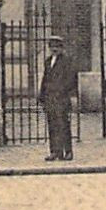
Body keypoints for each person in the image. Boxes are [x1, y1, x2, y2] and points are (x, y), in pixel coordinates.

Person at [38, 33, 78, 161]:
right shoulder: (48, 61)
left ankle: (68, 151)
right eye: (52, 46)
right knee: (52, 125)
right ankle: (55, 151)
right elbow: (45, 79)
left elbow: (72, 79)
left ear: (61, 48)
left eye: (57, 46)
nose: (54, 49)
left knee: (63, 125)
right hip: (50, 98)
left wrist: (62, 90)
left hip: (61, 98)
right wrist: (42, 96)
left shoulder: (67, 61)